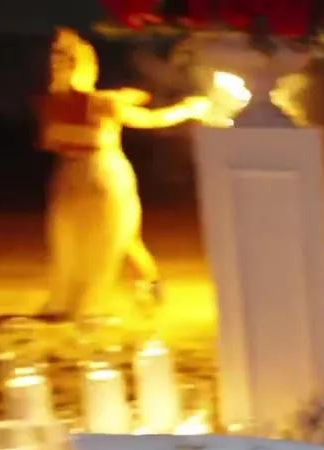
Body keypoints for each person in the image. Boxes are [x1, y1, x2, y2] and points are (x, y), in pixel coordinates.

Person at [39, 28, 209, 319]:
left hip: (78, 174)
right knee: (119, 236)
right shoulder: (100, 103)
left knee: (115, 236)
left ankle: (146, 288)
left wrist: (118, 101)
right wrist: (188, 108)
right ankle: (145, 289)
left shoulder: (57, 105)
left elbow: (53, 139)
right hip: (98, 174)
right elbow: (152, 119)